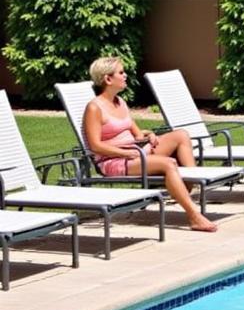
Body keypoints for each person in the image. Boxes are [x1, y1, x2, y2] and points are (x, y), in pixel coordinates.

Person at [82, 56, 218, 233]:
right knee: (169, 163)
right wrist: (125, 154)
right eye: (121, 73)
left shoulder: (120, 102)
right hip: (114, 160)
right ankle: (194, 216)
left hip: (135, 150)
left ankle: (188, 189)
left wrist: (149, 134)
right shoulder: (94, 108)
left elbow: (137, 134)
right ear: (107, 79)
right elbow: (95, 146)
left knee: (181, 135)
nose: (125, 76)